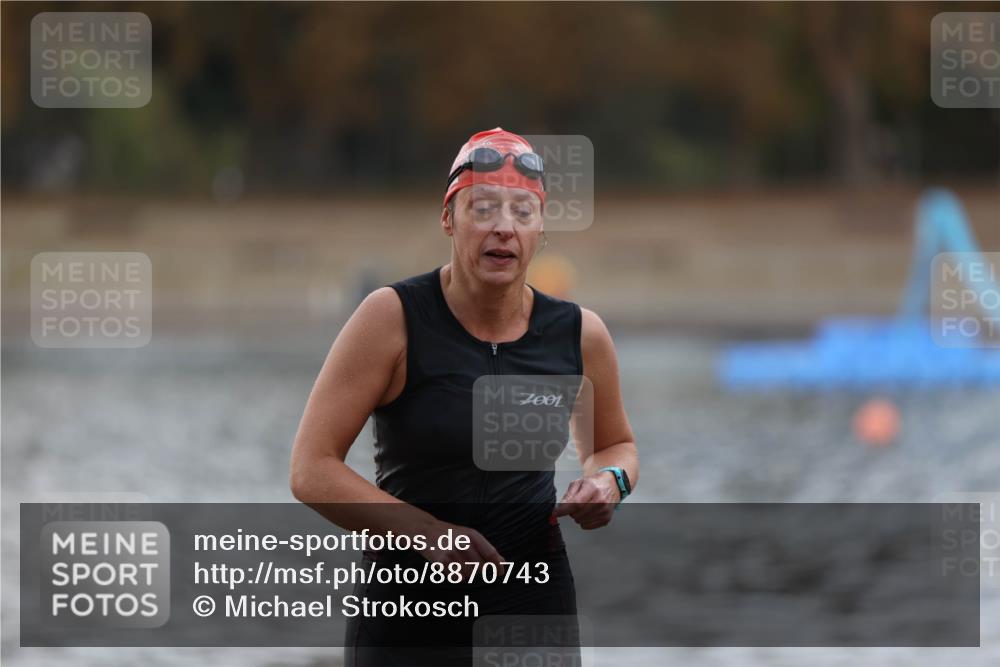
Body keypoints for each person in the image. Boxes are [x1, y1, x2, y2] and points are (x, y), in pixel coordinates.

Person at [289, 127, 639, 665]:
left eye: (523, 212)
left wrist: (608, 482)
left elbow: (616, 445)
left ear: (541, 228)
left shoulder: (578, 333)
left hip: (532, 605)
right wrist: (427, 533)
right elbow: (311, 469)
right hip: (407, 613)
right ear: (448, 219)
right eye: (483, 208)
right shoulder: (393, 318)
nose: (504, 227)